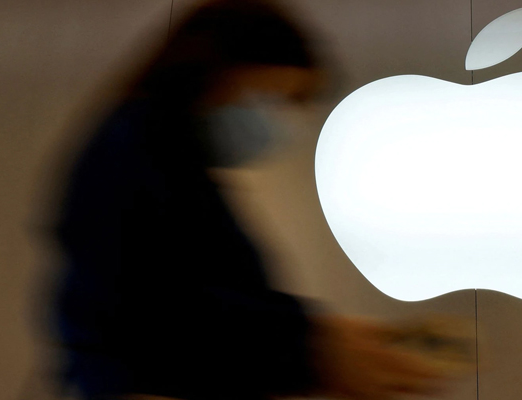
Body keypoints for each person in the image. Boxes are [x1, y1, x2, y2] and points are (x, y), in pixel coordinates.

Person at [49, 1, 452, 399]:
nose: (281, 121)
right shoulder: (135, 151)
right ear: (217, 73)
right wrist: (314, 346)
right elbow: (172, 309)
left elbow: (213, 296)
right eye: (274, 97)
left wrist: (324, 336)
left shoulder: (166, 159)